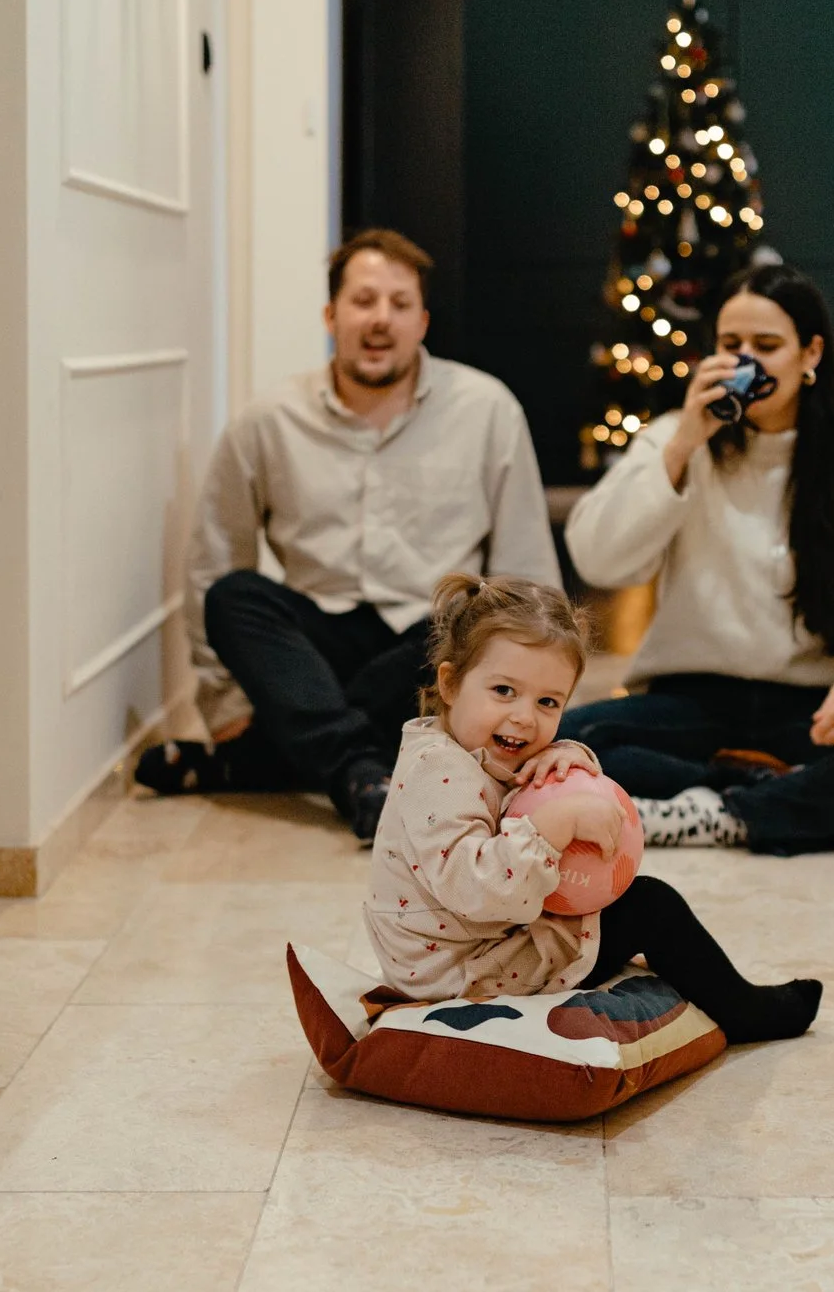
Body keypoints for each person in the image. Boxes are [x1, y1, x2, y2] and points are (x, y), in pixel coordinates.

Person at [562, 262, 834, 854]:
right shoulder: (676, 438)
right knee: (570, 744)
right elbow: (599, 559)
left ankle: (724, 811)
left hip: (813, 711)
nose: (747, 361)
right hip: (693, 702)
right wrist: (683, 444)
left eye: (766, 346)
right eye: (730, 345)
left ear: (809, 353)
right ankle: (803, 801)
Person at [136, 228, 561, 839]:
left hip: (428, 653)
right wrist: (225, 704)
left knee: (467, 613)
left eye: (399, 304)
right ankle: (362, 769)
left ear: (423, 321)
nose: (380, 320)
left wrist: (520, 698)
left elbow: (524, 572)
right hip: (315, 653)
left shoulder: (488, 409)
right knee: (235, 595)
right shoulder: (267, 421)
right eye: (363, 302)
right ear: (332, 316)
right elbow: (212, 560)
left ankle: (282, 758)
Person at [366, 574, 821, 1044]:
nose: (524, 716)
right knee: (651, 906)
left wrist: (567, 757)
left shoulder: (470, 747)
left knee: (629, 898)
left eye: (547, 702)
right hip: (461, 972)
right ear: (451, 683)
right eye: (504, 691)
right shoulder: (439, 773)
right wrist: (551, 825)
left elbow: (531, 783)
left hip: (478, 943)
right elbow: (473, 890)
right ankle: (742, 1009)